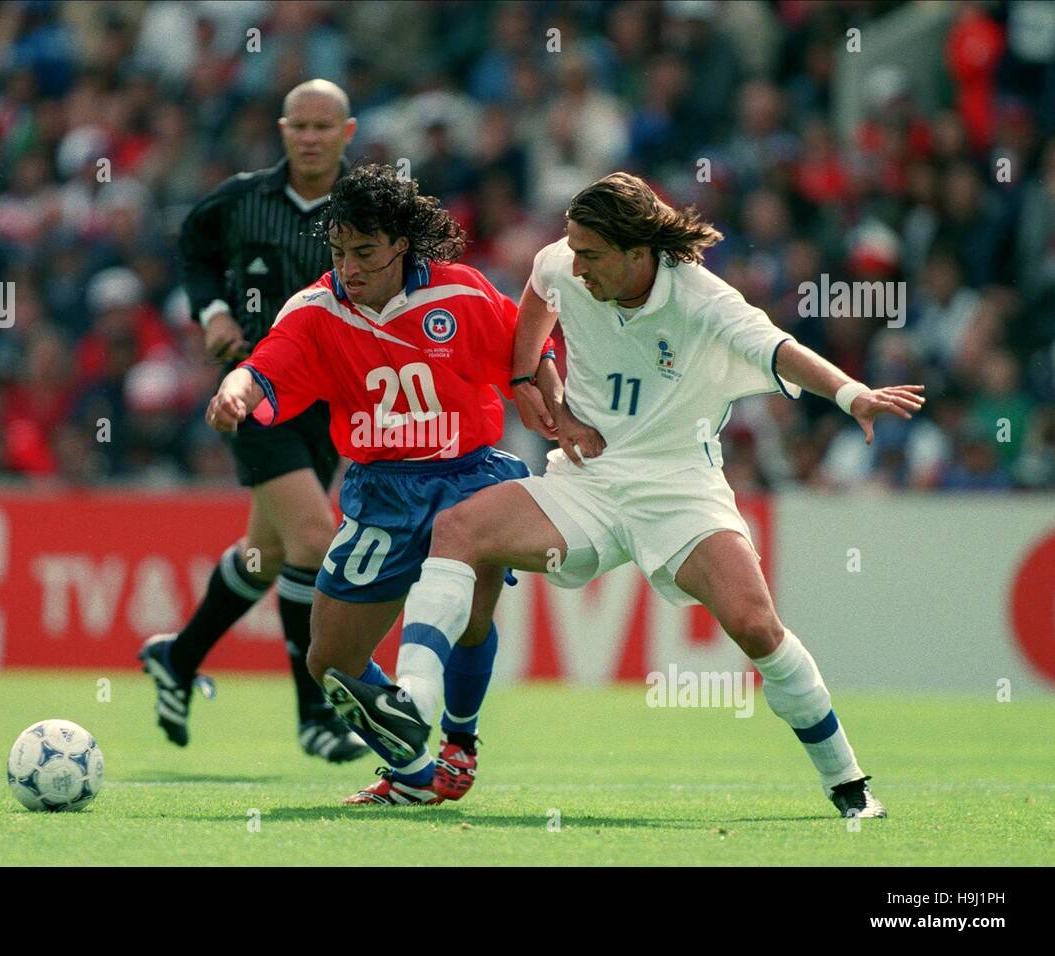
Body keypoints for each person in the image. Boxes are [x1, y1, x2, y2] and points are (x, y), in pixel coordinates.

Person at [325, 171, 926, 818]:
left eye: (591, 255)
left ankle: (848, 783)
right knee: (459, 530)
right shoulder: (566, 262)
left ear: (639, 252)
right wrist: (534, 380)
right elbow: (539, 292)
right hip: (588, 480)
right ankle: (412, 702)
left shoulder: (701, 299)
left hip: (678, 490)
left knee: (755, 625)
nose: (575, 266)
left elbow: (780, 350)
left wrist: (851, 394)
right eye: (573, 250)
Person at [205, 163, 555, 805]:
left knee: (471, 619)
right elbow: (265, 365)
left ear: (400, 244)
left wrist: (551, 397)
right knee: (327, 661)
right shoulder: (315, 310)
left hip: (468, 478)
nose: (350, 267)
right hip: (381, 492)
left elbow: (529, 346)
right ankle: (414, 773)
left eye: (364, 251)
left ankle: (460, 741)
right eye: (339, 251)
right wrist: (235, 387)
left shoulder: (462, 294)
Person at [138, 80, 366, 763]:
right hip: (255, 387)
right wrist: (210, 312)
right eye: (299, 124)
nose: (311, 136)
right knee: (314, 538)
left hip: (330, 399)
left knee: (266, 557)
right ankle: (315, 714)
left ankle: (177, 657)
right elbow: (192, 248)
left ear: (347, 132)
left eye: (324, 125)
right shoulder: (240, 199)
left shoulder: (367, 205)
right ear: (282, 128)